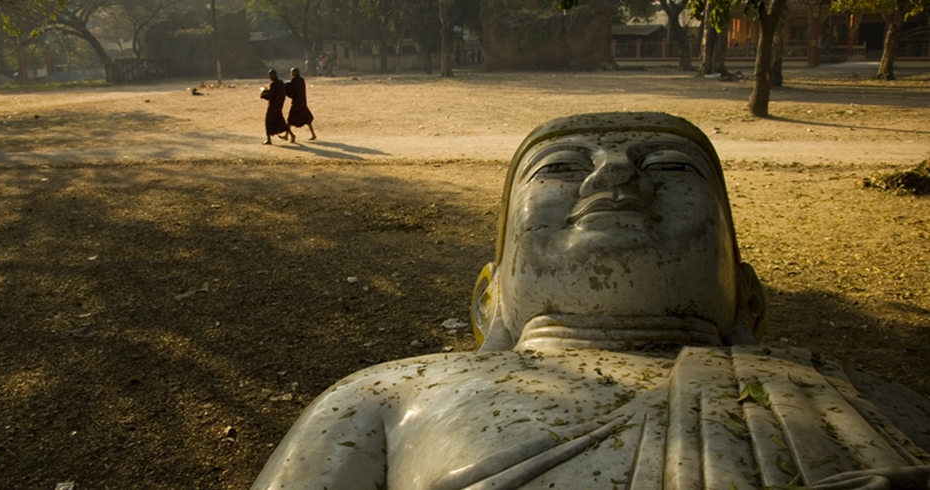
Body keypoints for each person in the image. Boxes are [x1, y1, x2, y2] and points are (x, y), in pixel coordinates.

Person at [250, 113, 930, 490]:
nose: (614, 174)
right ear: (490, 298)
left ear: (747, 296)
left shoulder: (883, 408)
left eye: (670, 166)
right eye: (561, 167)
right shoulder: (388, 398)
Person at [260, 69, 293, 145]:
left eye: (270, 75)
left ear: (274, 75)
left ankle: (269, 140)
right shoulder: (281, 82)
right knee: (280, 121)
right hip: (279, 104)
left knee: (268, 121)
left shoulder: (274, 84)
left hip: (273, 105)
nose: (270, 77)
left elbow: (271, 96)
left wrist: (264, 95)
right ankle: (292, 135)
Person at [285, 67, 316, 142]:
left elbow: (293, 91)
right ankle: (313, 134)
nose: (291, 74)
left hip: (296, 102)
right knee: (307, 119)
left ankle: (287, 135)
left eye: (292, 72)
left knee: (290, 119)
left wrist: (286, 91)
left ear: (295, 73)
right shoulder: (301, 80)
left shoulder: (295, 80)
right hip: (302, 101)